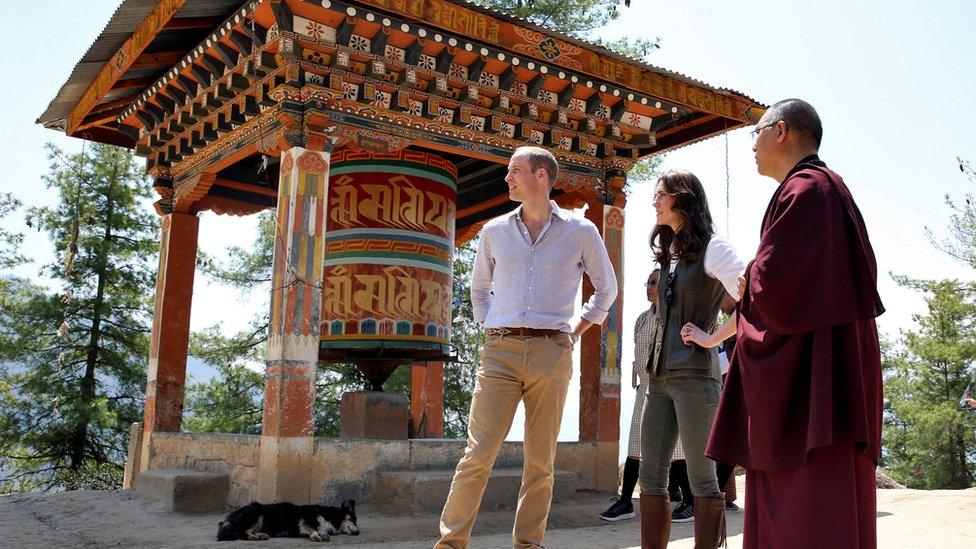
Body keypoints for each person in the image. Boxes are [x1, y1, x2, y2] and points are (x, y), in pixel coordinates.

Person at [706, 99, 885, 549]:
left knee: (804, 501)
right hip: (829, 366)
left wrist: (750, 280)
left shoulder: (805, 192)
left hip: (810, 380)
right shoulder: (827, 190)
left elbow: (773, 287)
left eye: (757, 133)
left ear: (780, 131)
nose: (753, 146)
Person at [436, 146, 618, 549]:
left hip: (552, 351)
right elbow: (478, 288)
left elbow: (607, 290)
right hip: (499, 352)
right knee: (477, 454)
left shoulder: (581, 232)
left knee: (540, 462)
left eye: (514, 171)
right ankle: (450, 544)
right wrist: (491, 322)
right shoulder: (494, 231)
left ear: (541, 176)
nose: (507, 178)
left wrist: (576, 330)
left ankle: (527, 545)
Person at [638, 170, 744, 549]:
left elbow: (753, 298)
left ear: (683, 199)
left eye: (661, 195)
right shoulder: (670, 253)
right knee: (650, 477)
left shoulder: (715, 249)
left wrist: (712, 337)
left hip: (697, 380)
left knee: (702, 479)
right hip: (659, 379)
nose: (654, 201)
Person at [599, 269, 660, 522]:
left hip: (664, 387)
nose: (649, 287)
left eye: (654, 282)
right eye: (648, 282)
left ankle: (690, 500)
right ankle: (626, 502)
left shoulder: (671, 318)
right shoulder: (642, 319)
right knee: (635, 443)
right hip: (643, 388)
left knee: (677, 449)